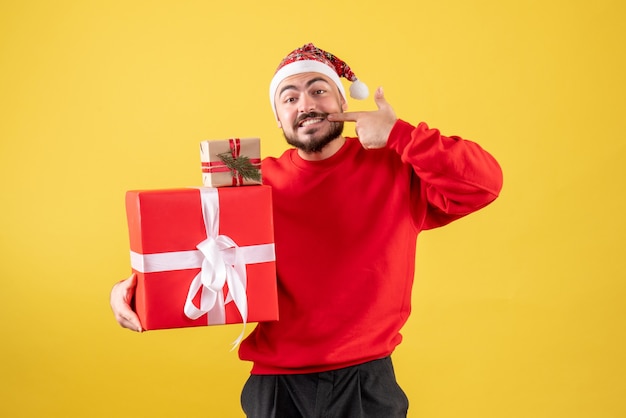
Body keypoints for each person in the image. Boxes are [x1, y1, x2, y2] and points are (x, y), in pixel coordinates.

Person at [110, 43, 503, 417]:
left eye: (319, 90)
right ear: (278, 118)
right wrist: (130, 292)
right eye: (290, 97)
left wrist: (399, 134)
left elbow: (485, 183)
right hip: (278, 386)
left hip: (366, 381)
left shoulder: (395, 167)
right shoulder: (251, 179)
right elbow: (196, 250)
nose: (306, 105)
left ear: (343, 103)